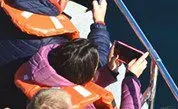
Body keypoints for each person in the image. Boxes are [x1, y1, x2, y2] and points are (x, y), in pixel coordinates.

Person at [15, 39, 149, 109]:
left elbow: (72, 87)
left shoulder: (41, 81)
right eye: (95, 70)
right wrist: (131, 78)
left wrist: (109, 71)